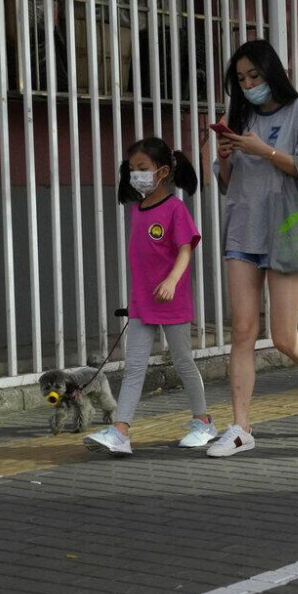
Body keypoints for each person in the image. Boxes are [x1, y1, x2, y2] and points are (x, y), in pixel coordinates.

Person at [210, 39, 298, 457]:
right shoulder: (238, 115)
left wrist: (264, 150)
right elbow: (227, 184)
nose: (248, 84)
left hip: (286, 230)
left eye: (253, 75)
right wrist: (226, 156)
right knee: (243, 333)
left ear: (271, 73)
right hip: (242, 232)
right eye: (240, 78)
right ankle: (240, 427)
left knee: (284, 337)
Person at [83, 138, 214, 456]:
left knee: (183, 362)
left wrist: (171, 280)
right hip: (142, 302)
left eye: (142, 169)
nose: (135, 175)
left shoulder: (175, 209)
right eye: (132, 170)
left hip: (173, 301)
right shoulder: (137, 209)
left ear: (163, 171)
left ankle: (204, 422)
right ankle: (120, 431)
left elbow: (186, 249)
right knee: (135, 367)